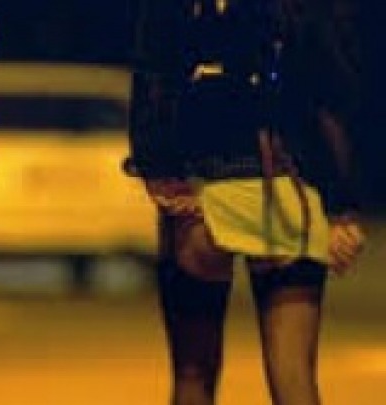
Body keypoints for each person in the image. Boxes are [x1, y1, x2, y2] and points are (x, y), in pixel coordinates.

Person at [125, 0, 366, 404]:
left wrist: (160, 171)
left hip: (202, 193)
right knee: (294, 374)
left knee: (193, 374)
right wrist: (342, 209)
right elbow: (330, 99)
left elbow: (153, 78)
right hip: (283, 188)